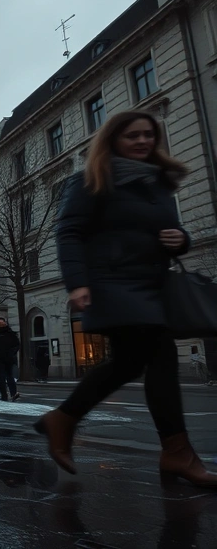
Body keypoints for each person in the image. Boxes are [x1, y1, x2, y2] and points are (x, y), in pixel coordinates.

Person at [35, 110, 217, 487]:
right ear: (113, 140)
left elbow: (171, 231)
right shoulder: (91, 180)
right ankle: (176, 453)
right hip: (112, 282)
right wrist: (77, 283)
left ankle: (66, 419)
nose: (142, 141)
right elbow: (68, 232)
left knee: (137, 362)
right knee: (152, 357)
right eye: (132, 135)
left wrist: (180, 239)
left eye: (148, 135)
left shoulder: (157, 184)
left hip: (151, 282)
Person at [0, 317, 21, 402]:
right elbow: (17, 345)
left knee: (1, 378)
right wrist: (12, 353)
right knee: (9, 376)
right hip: (8, 358)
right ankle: (13, 394)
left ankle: (4, 395)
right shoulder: (10, 333)